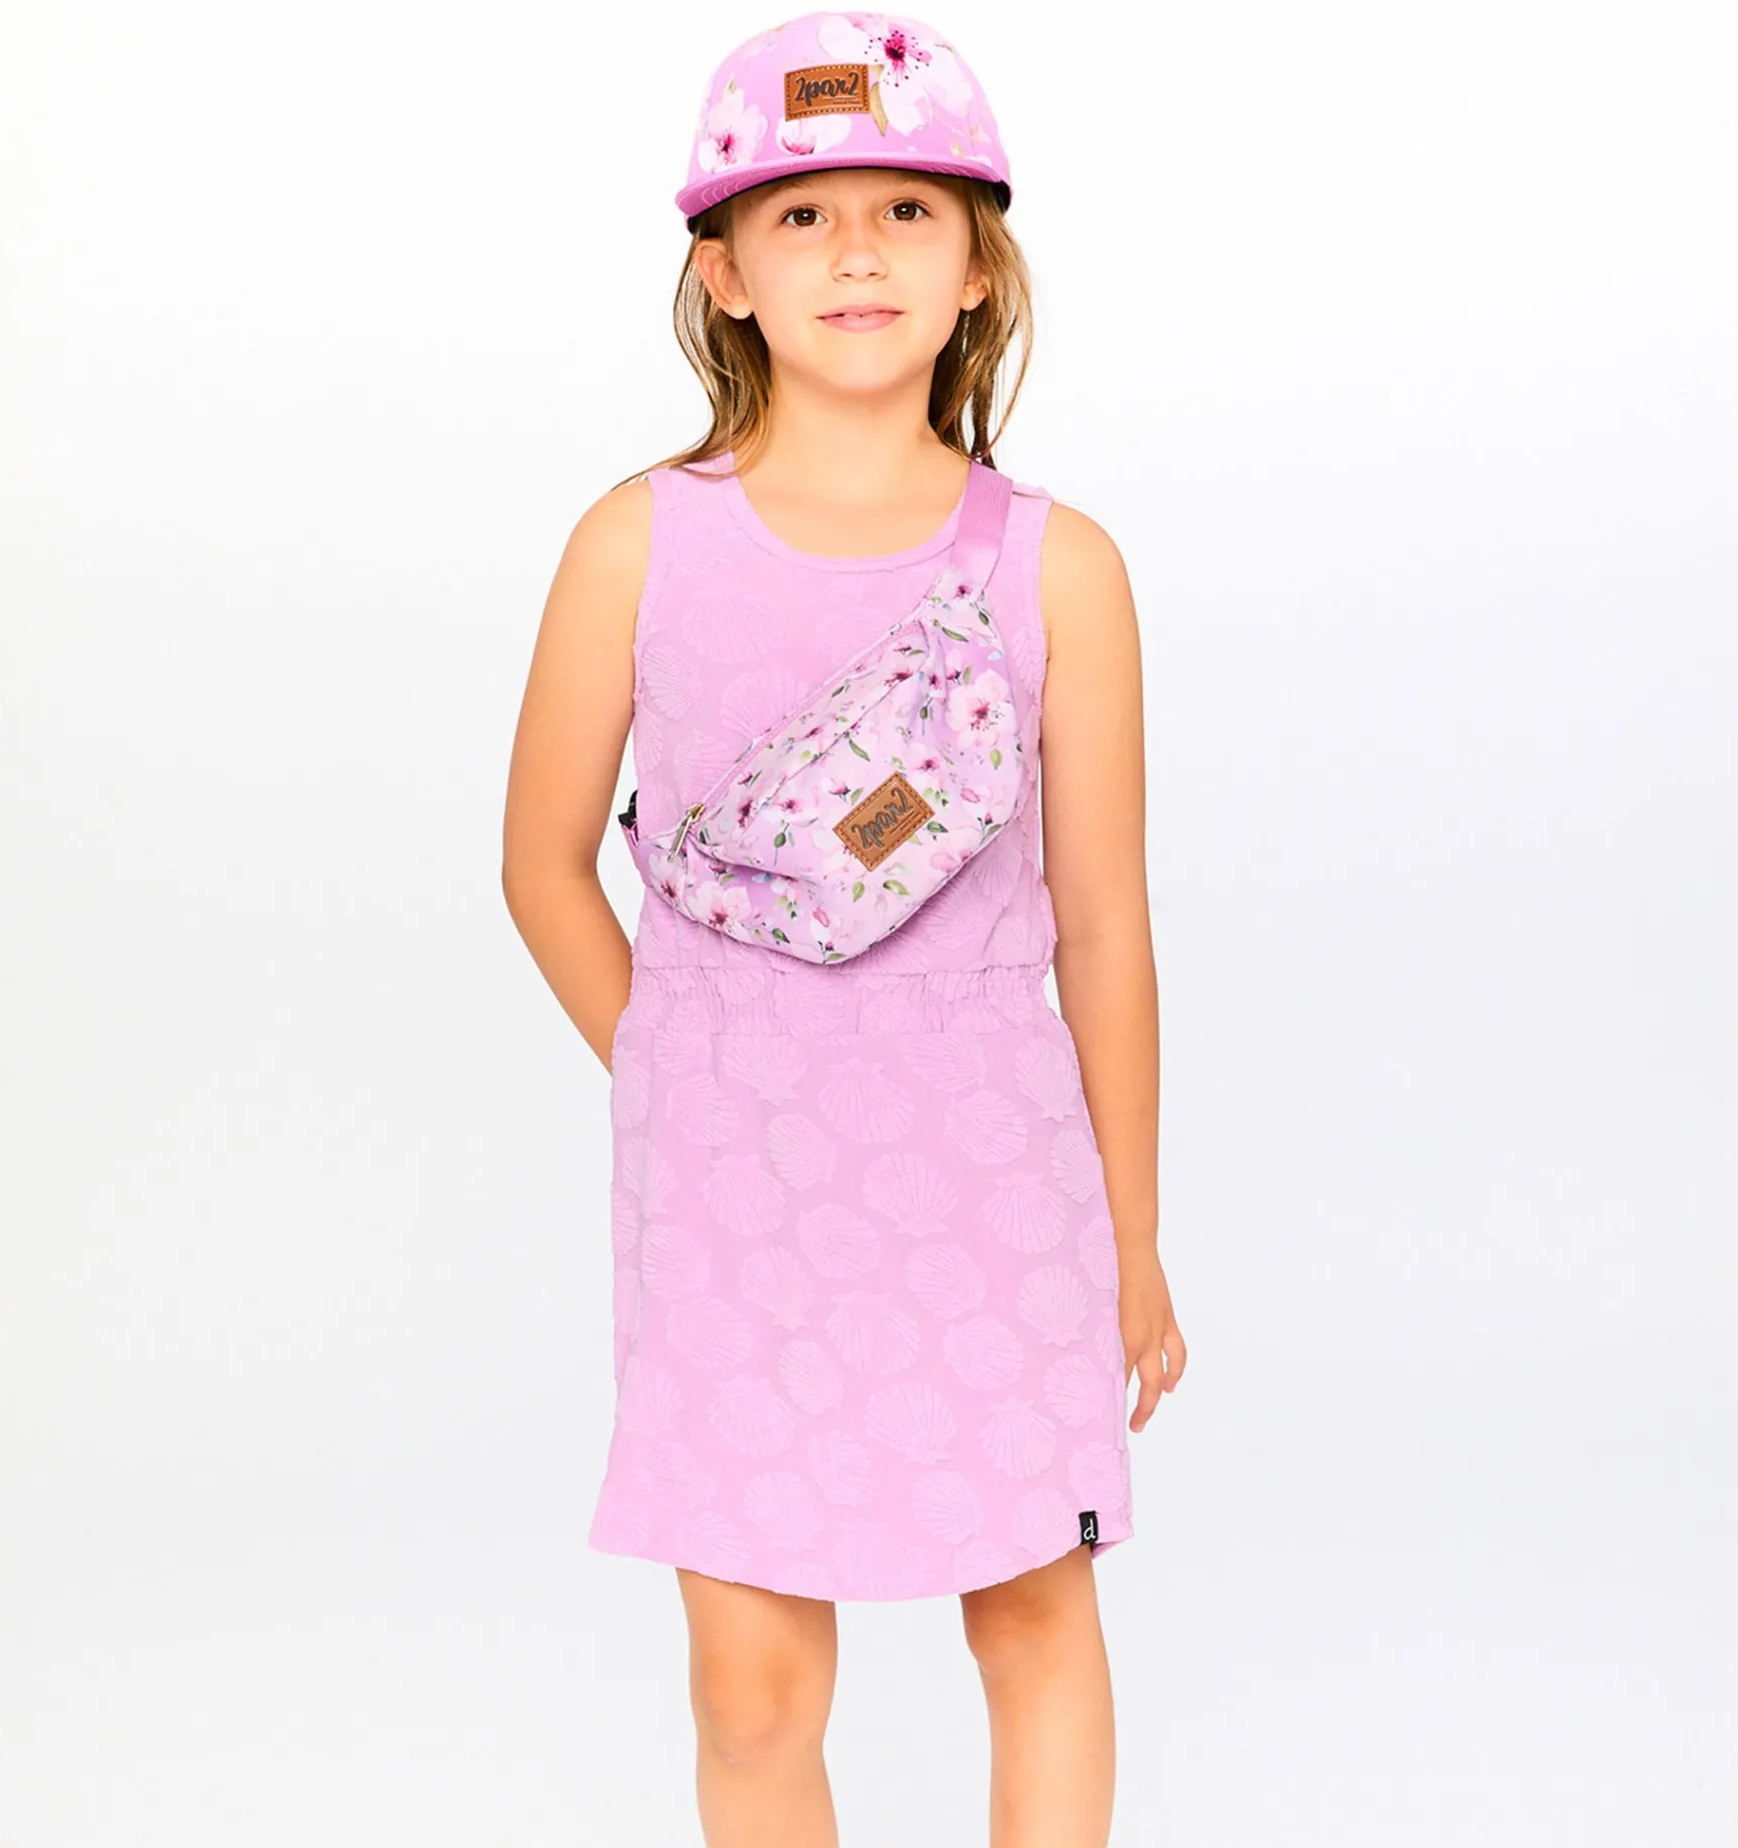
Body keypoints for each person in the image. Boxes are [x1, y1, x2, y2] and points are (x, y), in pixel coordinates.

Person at [501, 12, 1187, 1842]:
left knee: (1030, 1611)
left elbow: (1104, 931)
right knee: (751, 1680)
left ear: (978, 272)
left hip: (995, 1181)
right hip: (732, 1204)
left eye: (906, 209)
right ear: (723, 273)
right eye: (801, 216)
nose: (857, 250)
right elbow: (543, 866)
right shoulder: (635, 544)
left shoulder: (1059, 569)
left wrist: (1131, 1234)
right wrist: (683, 1062)